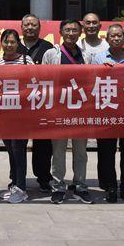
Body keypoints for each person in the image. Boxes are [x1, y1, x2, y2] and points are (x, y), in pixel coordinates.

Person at [41, 19, 94, 205]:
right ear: (61, 32)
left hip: (80, 110)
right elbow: (43, 80)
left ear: (80, 33)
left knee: (81, 151)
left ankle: (80, 185)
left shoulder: (86, 55)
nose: (71, 33)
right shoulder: (51, 54)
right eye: (67, 30)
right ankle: (58, 186)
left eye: (74, 30)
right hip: (59, 109)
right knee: (58, 151)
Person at [91, 23, 124, 204]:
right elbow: (91, 81)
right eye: (112, 35)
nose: (116, 38)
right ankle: (110, 188)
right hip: (106, 111)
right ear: (107, 39)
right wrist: (102, 70)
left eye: (119, 35)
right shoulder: (98, 58)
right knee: (106, 151)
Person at [0, 29, 33, 204]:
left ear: (18, 43)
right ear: (1, 43)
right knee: (10, 148)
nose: (9, 45)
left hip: (21, 114)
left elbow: (35, 82)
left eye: (12, 42)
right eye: (6, 41)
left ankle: (21, 188)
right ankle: (14, 183)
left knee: (19, 149)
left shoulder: (26, 60)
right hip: (3, 113)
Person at [18, 13, 55, 193]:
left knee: (43, 144)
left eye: (33, 25)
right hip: (19, 104)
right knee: (18, 144)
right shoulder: (13, 45)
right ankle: (17, 178)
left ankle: (44, 177)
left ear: (39, 28)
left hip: (42, 102)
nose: (30, 28)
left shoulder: (48, 47)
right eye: (27, 25)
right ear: (21, 28)